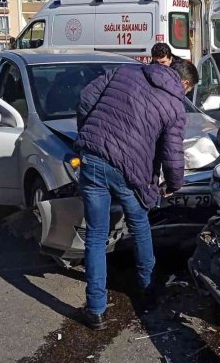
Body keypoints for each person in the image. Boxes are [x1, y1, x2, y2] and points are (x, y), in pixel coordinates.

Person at [75, 60, 199, 330]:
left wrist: (88, 133)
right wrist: (174, 185)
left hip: (93, 159)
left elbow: (86, 99)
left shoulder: (124, 71)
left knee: (96, 235)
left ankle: (96, 310)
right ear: (185, 84)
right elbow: (173, 154)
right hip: (131, 173)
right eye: (188, 91)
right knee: (140, 226)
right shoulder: (175, 106)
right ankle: (148, 291)